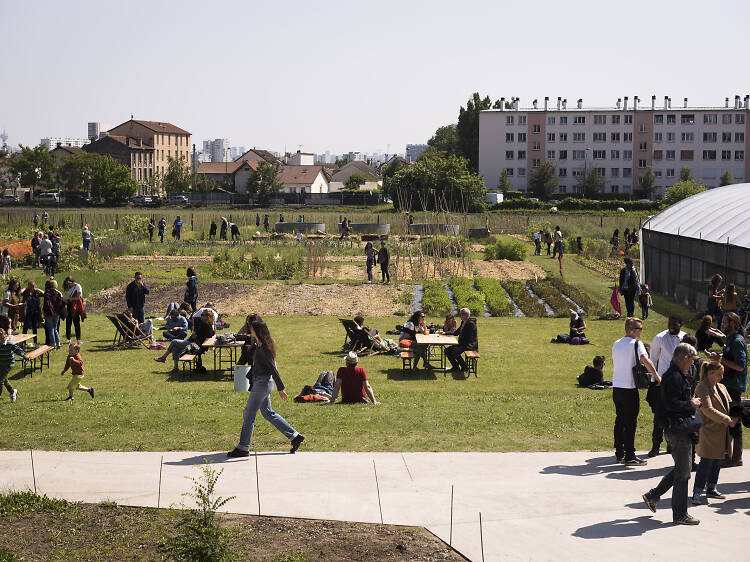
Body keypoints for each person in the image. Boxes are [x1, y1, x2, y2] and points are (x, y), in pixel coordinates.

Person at [642, 343, 702, 525]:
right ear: (684, 358)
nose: (692, 363)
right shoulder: (674, 377)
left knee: (681, 470)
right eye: (691, 360)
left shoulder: (675, 375)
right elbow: (672, 404)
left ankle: (653, 495)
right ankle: (680, 514)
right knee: (684, 474)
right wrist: (692, 404)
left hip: (679, 428)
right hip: (677, 429)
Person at [227, 320, 305, 457]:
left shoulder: (264, 349)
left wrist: (281, 388)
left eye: (251, 329)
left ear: (257, 332)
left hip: (262, 384)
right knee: (268, 413)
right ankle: (295, 436)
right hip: (261, 383)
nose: (249, 331)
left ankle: (243, 447)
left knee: (248, 414)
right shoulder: (259, 345)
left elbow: (273, 369)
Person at [611, 317, 658, 465]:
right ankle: (630, 455)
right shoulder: (637, 344)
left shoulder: (616, 343)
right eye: (639, 328)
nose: (641, 331)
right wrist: (656, 376)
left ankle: (619, 452)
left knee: (620, 420)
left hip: (617, 387)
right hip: (629, 388)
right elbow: (645, 360)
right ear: (631, 330)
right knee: (630, 423)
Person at [691, 361, 737, 505]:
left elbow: (731, 404)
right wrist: (728, 419)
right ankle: (697, 493)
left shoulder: (721, 387)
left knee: (717, 460)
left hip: (722, 431)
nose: (722, 377)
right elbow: (707, 409)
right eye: (719, 374)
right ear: (710, 373)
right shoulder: (702, 387)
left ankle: (711, 488)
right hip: (709, 431)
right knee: (706, 462)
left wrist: (739, 414)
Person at [707, 311, 747, 467]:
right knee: (728, 420)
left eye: (724, 322)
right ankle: (729, 455)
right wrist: (718, 358)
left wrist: (721, 359)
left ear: (733, 324)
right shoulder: (730, 340)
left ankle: (735, 458)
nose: (721, 324)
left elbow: (740, 366)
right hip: (728, 386)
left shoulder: (737, 341)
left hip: (734, 387)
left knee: (734, 421)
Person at [647, 314, 686, 457]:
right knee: (659, 415)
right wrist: (654, 379)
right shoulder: (660, 338)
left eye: (674, 324)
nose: (671, 326)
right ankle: (655, 446)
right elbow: (652, 359)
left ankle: (672, 444)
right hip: (663, 382)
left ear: (680, 324)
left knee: (676, 415)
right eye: (670, 323)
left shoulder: (684, 338)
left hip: (679, 382)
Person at [154, 309, 214, 373]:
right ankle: (175, 368)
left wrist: (195, 336)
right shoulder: (205, 324)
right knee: (175, 348)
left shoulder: (205, 325)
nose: (201, 316)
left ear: (207, 316)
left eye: (202, 315)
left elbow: (207, 335)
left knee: (174, 341)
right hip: (192, 343)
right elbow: (206, 334)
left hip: (194, 345)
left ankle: (163, 357)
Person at [445, 308, 478, 373]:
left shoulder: (471, 324)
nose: (460, 315)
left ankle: (464, 367)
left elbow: (470, 338)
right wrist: (445, 333)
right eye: (460, 314)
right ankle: (455, 367)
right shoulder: (463, 322)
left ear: (467, 315)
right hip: (462, 344)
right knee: (447, 350)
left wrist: (459, 345)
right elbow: (456, 332)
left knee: (455, 353)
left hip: (469, 345)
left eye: (462, 314)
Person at [0, 327, 24, 402]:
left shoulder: (9, 344)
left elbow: (18, 350)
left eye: (3, 338)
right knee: (4, 380)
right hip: (1, 364)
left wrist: (25, 356)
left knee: (0, 380)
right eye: (0, 339)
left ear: (5, 336)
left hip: (8, 364)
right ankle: (12, 392)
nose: (2, 340)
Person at [42, 278, 64, 349]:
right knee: (55, 329)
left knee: (50, 329)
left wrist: (44, 312)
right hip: (57, 313)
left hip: (49, 313)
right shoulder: (58, 293)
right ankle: (58, 344)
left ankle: (53, 344)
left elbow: (46, 304)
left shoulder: (47, 293)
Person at [63, 276, 85, 344]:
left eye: (68, 283)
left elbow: (78, 298)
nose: (68, 285)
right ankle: (68, 338)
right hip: (70, 305)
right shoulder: (71, 288)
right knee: (68, 322)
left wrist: (69, 299)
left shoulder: (78, 286)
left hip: (75, 306)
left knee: (76, 323)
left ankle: (78, 339)